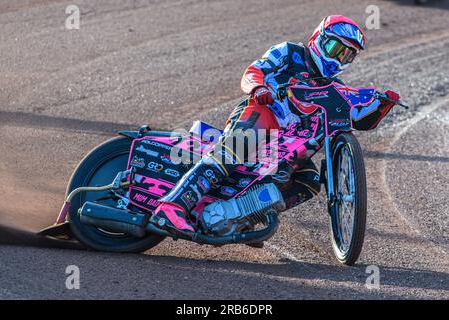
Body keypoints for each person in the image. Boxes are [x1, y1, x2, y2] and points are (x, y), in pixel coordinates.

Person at [150, 15, 401, 235]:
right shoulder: (290, 51)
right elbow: (253, 71)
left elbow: (358, 119)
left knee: (309, 181)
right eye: (336, 48)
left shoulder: (334, 87)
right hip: (261, 112)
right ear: (319, 38)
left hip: (287, 142)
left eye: (347, 54)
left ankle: (240, 218)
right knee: (230, 152)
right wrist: (259, 88)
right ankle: (170, 206)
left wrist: (383, 104)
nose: (339, 57)